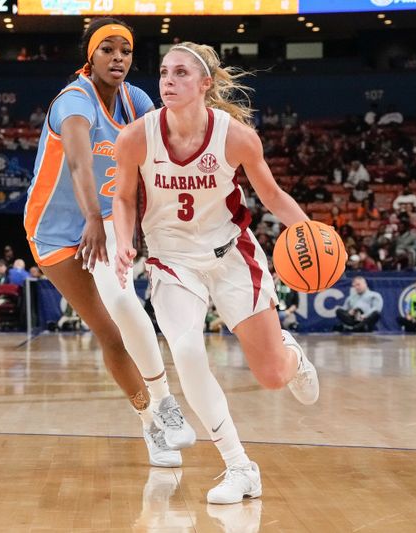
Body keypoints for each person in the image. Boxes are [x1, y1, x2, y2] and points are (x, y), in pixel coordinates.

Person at [113, 41, 319, 505]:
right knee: (186, 352)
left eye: (182, 73)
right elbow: (124, 198)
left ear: (205, 83)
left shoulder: (236, 136)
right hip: (172, 261)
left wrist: (310, 232)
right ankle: (240, 466)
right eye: (165, 72)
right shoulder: (137, 137)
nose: (169, 80)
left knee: (270, 375)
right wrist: (124, 241)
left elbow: (272, 195)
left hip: (232, 257)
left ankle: (292, 356)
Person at [23, 18, 195, 466]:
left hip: (104, 218)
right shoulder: (73, 102)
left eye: (125, 51)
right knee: (107, 333)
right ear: (91, 56)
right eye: (108, 50)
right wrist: (91, 220)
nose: (118, 58)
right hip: (54, 231)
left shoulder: (135, 101)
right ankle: (149, 423)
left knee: (123, 309)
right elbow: (80, 165)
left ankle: (164, 403)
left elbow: (159, 157)